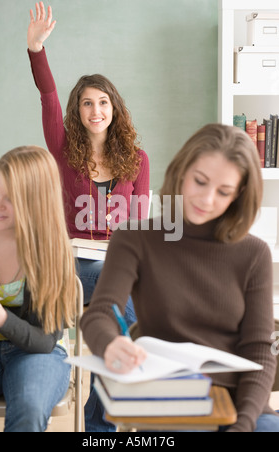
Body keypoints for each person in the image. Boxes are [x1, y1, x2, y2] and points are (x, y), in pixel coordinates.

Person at [81, 123, 279, 432]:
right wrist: (110, 345)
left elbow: (260, 351)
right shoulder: (135, 239)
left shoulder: (254, 254)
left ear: (239, 194)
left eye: (224, 191)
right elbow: (100, 313)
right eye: (200, 181)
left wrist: (242, 425)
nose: (207, 199)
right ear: (182, 170)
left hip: (241, 407)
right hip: (170, 398)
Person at [26, 2, 150, 315]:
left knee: (135, 285)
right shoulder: (63, 149)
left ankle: (110, 359)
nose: (96, 111)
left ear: (114, 108)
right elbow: (48, 98)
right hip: (74, 262)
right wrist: (36, 48)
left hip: (119, 258)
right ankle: (135, 355)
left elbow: (139, 224)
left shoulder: (138, 160)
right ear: (78, 112)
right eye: (87, 104)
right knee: (119, 283)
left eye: (103, 102)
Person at [0, 146, 77, 432]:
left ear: (35, 202)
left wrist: (1, 319)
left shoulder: (53, 251)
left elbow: (45, 340)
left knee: (29, 409)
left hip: (38, 351)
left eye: (11, 199)